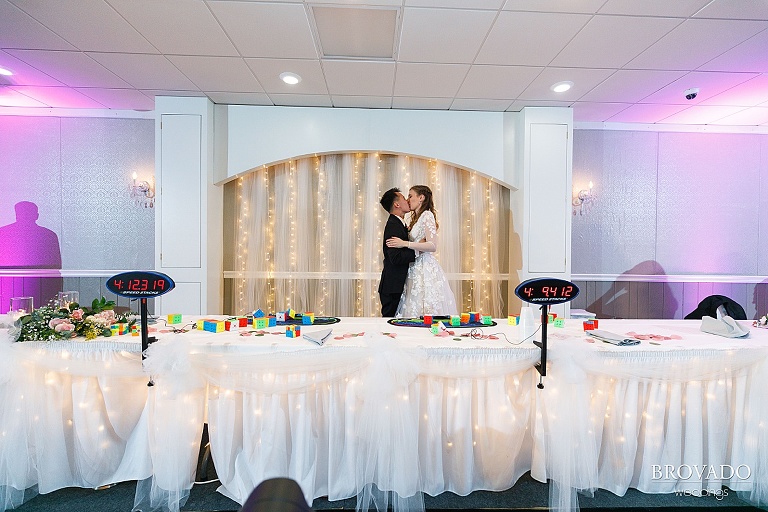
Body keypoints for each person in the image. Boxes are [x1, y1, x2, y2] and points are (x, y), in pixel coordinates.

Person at [386, 185, 458, 318]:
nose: (408, 200)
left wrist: (405, 243)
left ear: (421, 198)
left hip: (425, 267)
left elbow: (432, 245)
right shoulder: (416, 219)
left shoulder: (427, 215)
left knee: (426, 304)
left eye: (410, 196)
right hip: (414, 266)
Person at [378, 188, 416, 317]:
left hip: (396, 285)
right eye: (404, 198)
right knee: (389, 323)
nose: (408, 201)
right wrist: (418, 252)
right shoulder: (393, 225)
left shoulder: (399, 223)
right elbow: (395, 257)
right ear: (397, 204)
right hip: (392, 286)